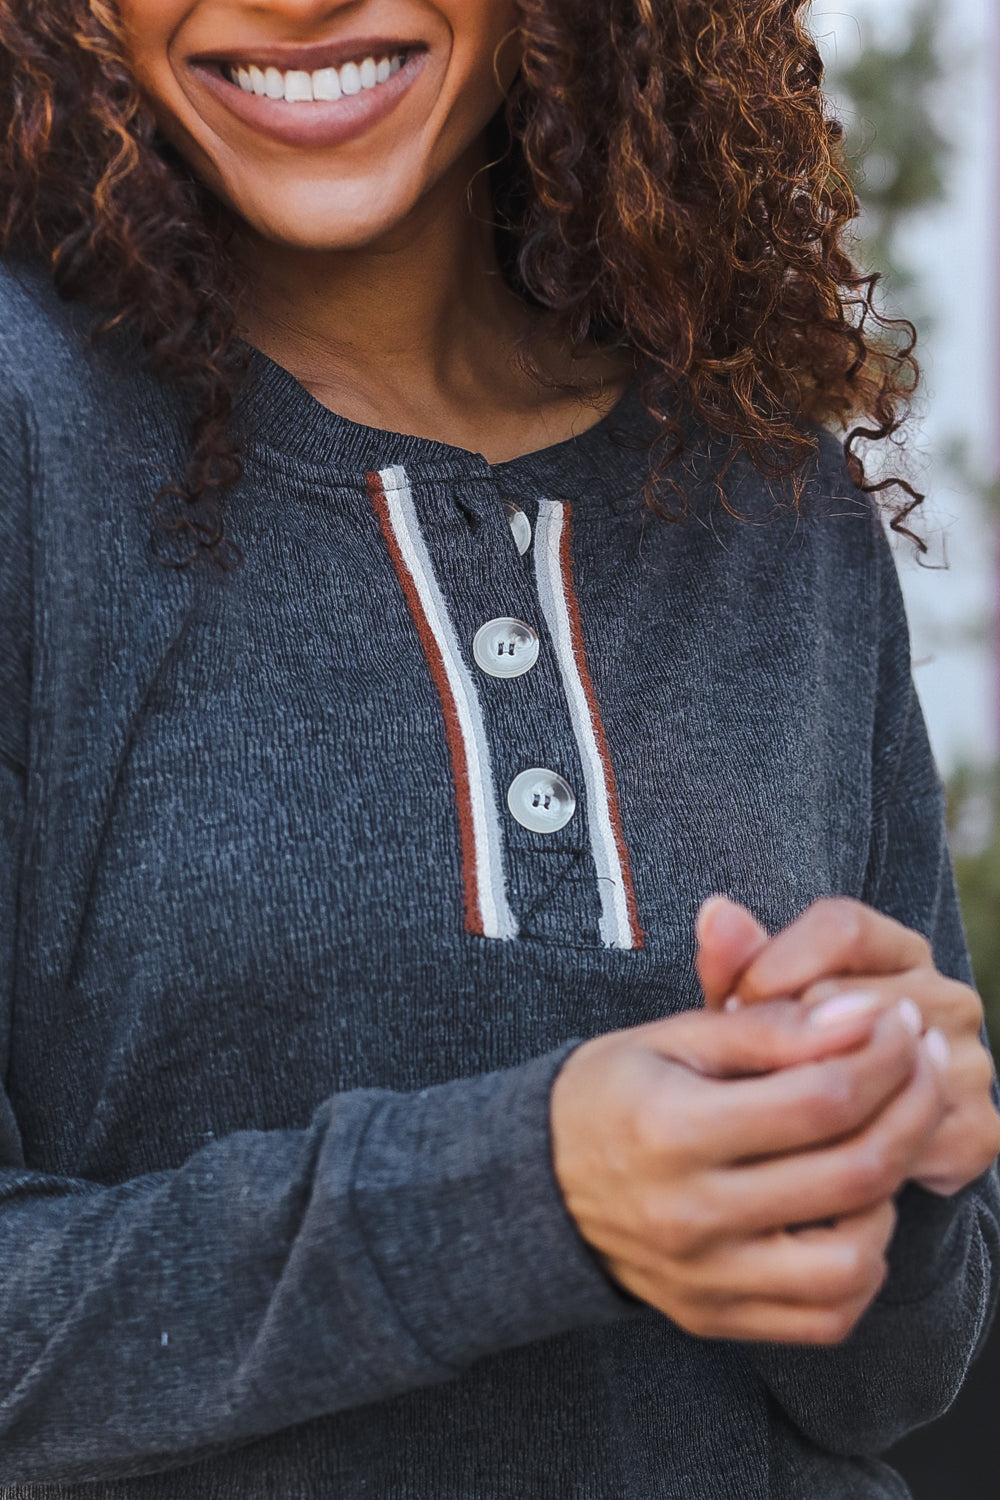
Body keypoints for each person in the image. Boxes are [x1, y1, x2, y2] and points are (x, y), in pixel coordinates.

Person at [0, 0, 997, 1495]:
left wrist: (884, 1148)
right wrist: (524, 1195)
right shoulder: (28, 446)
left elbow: (901, 1382)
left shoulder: (770, 501)